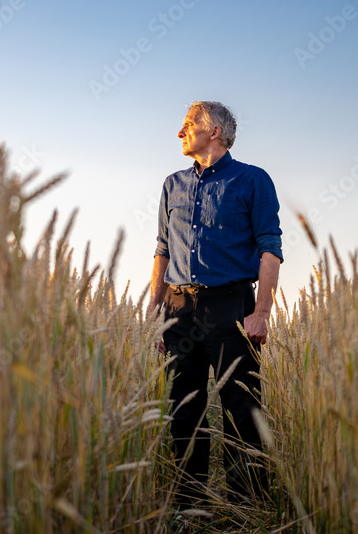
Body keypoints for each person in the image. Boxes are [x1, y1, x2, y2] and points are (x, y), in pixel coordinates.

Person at [149, 100, 282, 506]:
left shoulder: (253, 180)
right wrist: (155, 313)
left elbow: (270, 249)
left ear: (215, 132)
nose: (180, 132)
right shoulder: (172, 184)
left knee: (241, 407)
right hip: (178, 308)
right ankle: (190, 504)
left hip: (231, 307)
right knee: (182, 407)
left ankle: (247, 508)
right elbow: (161, 251)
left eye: (188, 124)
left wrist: (261, 312)